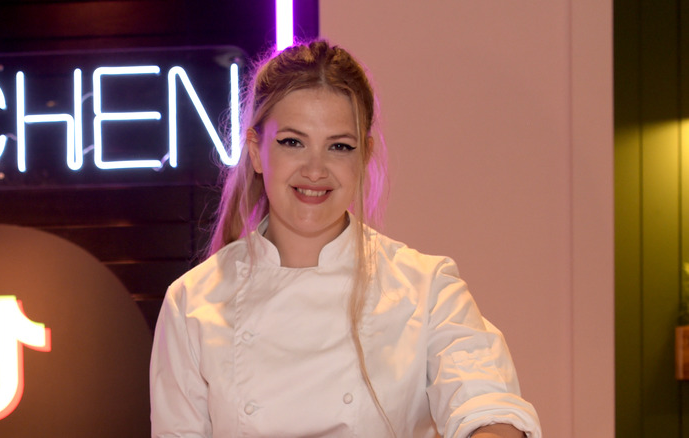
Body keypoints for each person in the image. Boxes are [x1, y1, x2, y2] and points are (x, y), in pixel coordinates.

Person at [150, 39, 542, 438]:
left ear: (364, 155)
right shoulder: (192, 303)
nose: (315, 170)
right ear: (255, 150)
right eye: (292, 142)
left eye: (339, 146)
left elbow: (487, 402)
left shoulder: (426, 288)